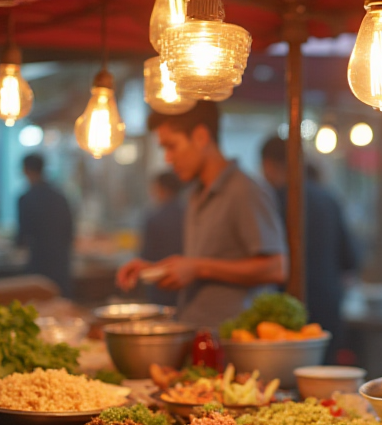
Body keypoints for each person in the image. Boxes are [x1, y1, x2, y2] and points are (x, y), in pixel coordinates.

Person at [116, 102, 287, 331]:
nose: (168, 158)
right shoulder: (195, 195)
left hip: (231, 344)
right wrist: (156, 270)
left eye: (172, 146)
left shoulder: (244, 190)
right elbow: (203, 264)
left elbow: (276, 268)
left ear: (200, 136)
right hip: (197, 336)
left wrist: (197, 268)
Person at [259, 136, 358, 363]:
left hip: (287, 311)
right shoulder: (328, 198)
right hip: (328, 305)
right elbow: (350, 259)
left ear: (268, 165)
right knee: (327, 383)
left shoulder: (272, 201)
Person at [16, 153, 75, 297]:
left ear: (25, 170)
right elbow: (70, 231)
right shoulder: (60, 196)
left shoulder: (26, 199)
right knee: (62, 307)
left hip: (38, 264)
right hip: (61, 264)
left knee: (38, 307)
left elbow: (21, 237)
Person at [140, 171, 186, 307]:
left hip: (160, 284)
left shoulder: (154, 218)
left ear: (160, 188)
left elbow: (146, 254)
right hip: (186, 285)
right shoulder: (190, 214)